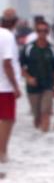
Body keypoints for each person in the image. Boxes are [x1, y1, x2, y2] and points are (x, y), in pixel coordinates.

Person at [19, 19, 54, 133]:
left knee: (45, 113)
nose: (42, 33)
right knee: (37, 117)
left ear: (48, 32)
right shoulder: (28, 48)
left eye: (45, 31)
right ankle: (38, 141)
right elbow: (20, 67)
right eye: (39, 31)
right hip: (32, 87)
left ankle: (46, 137)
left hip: (48, 86)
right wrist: (28, 78)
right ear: (36, 32)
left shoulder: (52, 49)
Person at [0, 8, 20, 163]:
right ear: (15, 22)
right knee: (7, 120)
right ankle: (2, 153)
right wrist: (15, 86)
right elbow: (7, 63)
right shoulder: (7, 36)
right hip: (4, 87)